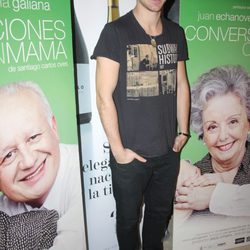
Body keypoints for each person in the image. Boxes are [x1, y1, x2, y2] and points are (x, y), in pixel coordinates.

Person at [91, 0, 190, 249]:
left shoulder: (176, 33)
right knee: (127, 222)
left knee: (158, 217)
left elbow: (182, 84)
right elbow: (103, 97)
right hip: (130, 156)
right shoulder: (115, 32)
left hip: (168, 153)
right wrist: (118, 151)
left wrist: (184, 130)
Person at [0, 81, 86, 250]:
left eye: (33, 137)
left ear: (54, 128)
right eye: (8, 155)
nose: (29, 161)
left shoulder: (87, 175)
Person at [175, 65, 250, 221]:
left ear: (248, 123)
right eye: (212, 127)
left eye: (233, 121)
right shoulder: (193, 177)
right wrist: (172, 173)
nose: (223, 136)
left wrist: (214, 196)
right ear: (203, 134)